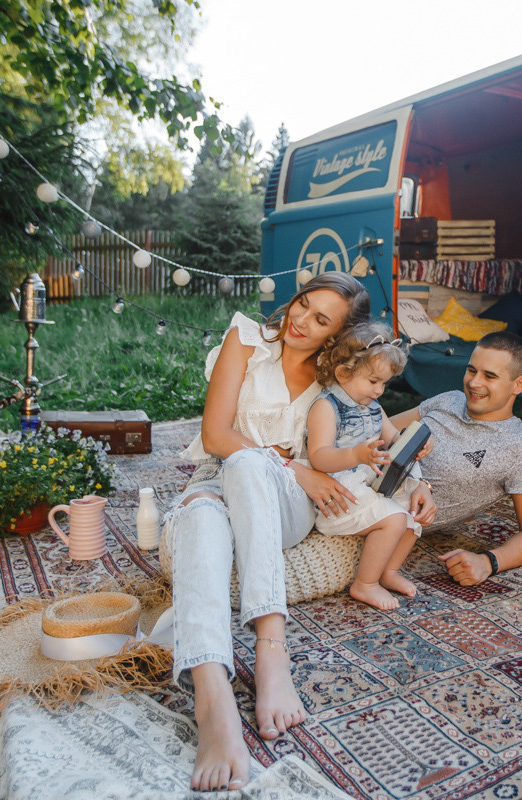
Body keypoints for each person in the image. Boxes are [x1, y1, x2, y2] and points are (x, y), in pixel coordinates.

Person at [166, 272, 370, 793]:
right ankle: (212, 695)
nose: (300, 320)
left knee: (253, 469)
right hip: (224, 476)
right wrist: (297, 466)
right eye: (303, 304)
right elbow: (216, 435)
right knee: (199, 518)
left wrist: (416, 476)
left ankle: (269, 648)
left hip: (284, 506)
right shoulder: (246, 339)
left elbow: (380, 424)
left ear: (337, 336)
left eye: (321, 319)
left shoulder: (339, 379)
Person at [392, 330, 522, 585]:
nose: (474, 383)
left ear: (519, 384)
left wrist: (488, 561)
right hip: (353, 476)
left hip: (383, 523)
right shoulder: (448, 400)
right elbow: (382, 430)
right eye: (471, 370)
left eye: (489, 376)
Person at [305, 322, 429, 611]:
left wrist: (414, 442)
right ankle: (365, 584)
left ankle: (389, 571)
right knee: (395, 519)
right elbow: (319, 456)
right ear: (343, 372)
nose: (380, 390)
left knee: (412, 512)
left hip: (369, 481)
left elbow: (393, 437)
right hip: (339, 493)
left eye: (384, 383)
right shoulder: (326, 406)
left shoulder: (372, 405)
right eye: (374, 381)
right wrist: (356, 455)